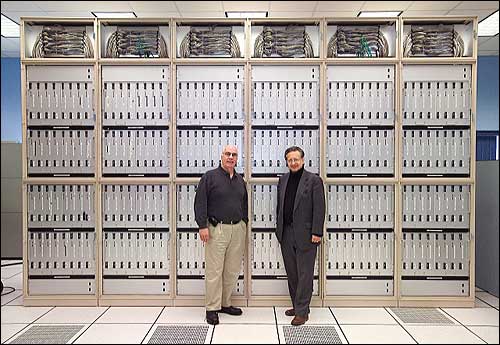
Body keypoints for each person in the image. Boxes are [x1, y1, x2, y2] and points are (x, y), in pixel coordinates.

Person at [194, 145, 248, 325]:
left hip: (237, 229)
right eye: (228, 154)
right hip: (217, 230)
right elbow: (200, 202)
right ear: (221, 156)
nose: (231, 157)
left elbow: (244, 203)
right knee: (214, 271)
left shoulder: (240, 180)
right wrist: (203, 226)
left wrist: (244, 224)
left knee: (231, 271)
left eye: (234, 155)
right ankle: (212, 308)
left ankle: (225, 303)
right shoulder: (210, 177)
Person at [275, 146, 325, 326]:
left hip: (306, 234)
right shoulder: (284, 180)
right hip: (286, 233)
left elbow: (319, 208)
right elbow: (280, 206)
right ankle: (298, 306)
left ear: (303, 160)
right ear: (286, 162)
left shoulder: (313, 180)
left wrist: (317, 232)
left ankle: (302, 312)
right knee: (292, 273)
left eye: (296, 159)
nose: (293, 162)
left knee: (305, 274)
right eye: (290, 160)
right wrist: (278, 229)